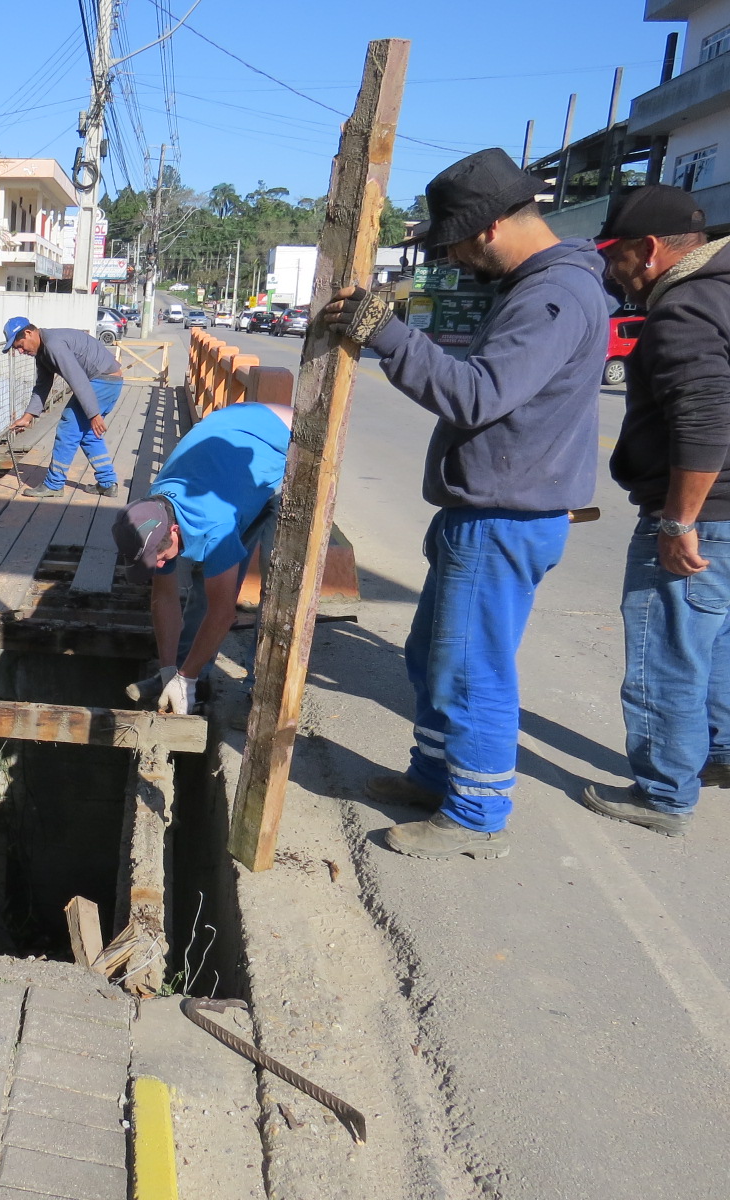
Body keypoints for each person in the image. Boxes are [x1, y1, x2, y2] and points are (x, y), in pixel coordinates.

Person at [319, 147, 608, 860]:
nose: (454, 260)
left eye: (453, 245)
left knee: (473, 668)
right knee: (435, 656)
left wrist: (385, 334)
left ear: (486, 229)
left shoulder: (552, 297)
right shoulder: (545, 288)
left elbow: (476, 394)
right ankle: (434, 775)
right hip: (495, 510)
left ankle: (475, 811)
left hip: (504, 516)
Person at [583, 185, 729, 838]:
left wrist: (677, 521)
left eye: (612, 255)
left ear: (646, 251)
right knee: (719, 643)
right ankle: (717, 756)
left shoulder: (684, 310)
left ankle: (663, 792)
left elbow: (703, 417)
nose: (610, 271)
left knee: (666, 650)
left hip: (704, 515)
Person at [112, 400, 292, 715]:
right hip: (231, 453)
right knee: (204, 577)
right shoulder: (154, 507)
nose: (160, 566)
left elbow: (223, 614)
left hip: (285, 445)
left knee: (277, 582)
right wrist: (170, 668)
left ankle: (260, 692)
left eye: (160, 558)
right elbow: (163, 598)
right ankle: (178, 674)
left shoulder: (215, 525)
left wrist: (187, 680)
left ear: (176, 530)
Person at [4, 315, 124, 498]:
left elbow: (77, 378)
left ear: (28, 333)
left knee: (68, 429)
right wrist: (28, 417)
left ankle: (54, 484)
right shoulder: (43, 351)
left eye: (19, 346)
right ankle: (108, 483)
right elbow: (43, 385)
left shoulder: (53, 345)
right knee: (89, 434)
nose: (20, 351)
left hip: (102, 381)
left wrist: (93, 414)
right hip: (109, 382)